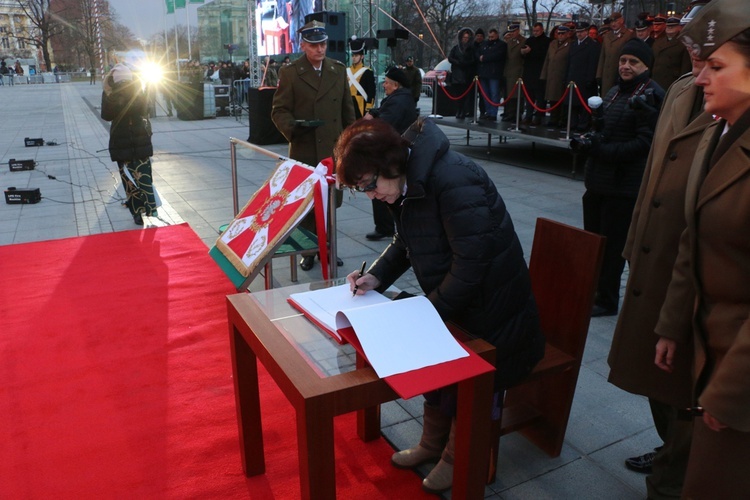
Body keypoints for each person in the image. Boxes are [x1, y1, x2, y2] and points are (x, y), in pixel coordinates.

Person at [335, 117, 544, 495]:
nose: (370, 195)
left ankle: (459, 457)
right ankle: (432, 444)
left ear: (391, 164)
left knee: (473, 377)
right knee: (434, 361)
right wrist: (377, 277)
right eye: (360, 189)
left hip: (494, 308)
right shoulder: (408, 182)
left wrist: (427, 313)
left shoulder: (453, 179)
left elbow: (472, 265)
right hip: (458, 302)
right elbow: (406, 241)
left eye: (369, 185)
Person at [607, 15, 714, 498]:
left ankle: (682, 460)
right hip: (653, 254)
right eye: (693, 45)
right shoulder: (681, 89)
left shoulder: (730, 95)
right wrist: (634, 243)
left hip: (700, 270)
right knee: (652, 368)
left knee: (689, 381)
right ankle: (670, 444)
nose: (696, 56)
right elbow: (654, 173)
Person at [654, 0, 750, 495]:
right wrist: (672, 325)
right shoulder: (723, 132)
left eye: (716, 66)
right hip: (704, 348)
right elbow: (693, 238)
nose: (700, 78)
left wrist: (731, 394)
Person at [575, 39, 664, 317]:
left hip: (624, 186)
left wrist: (603, 150)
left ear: (646, 65)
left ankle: (607, 299)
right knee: (595, 243)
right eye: (623, 60)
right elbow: (604, 129)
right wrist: (588, 140)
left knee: (614, 247)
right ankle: (596, 291)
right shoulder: (614, 91)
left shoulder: (650, 94)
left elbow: (645, 143)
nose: (625, 66)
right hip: (599, 181)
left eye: (633, 62)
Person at [272, 20, 355, 271]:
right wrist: (294, 128)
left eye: (323, 44)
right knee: (307, 203)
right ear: (303, 46)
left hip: (332, 149)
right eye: (314, 45)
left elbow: (346, 110)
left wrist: (350, 142)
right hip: (305, 148)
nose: (320, 49)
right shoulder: (290, 73)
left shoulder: (338, 70)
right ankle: (309, 251)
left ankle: (328, 248)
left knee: (330, 202)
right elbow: (279, 111)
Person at [362, 66, 418, 241]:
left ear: (395, 85)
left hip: (390, 152)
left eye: (386, 83)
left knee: (381, 188)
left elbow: (385, 124)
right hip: (393, 150)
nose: (384, 85)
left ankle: (386, 227)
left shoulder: (398, 101)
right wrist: (373, 112)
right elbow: (385, 112)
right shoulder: (400, 98)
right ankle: (388, 226)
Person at [100, 63, 156, 226]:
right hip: (139, 139)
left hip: (121, 139)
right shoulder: (138, 89)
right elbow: (146, 110)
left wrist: (111, 94)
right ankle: (149, 208)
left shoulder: (111, 92)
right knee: (144, 176)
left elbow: (106, 116)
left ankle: (137, 212)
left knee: (128, 179)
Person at [566, 22, 600, 131]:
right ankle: (573, 123)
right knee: (573, 103)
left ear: (586, 32)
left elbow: (593, 63)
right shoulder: (574, 44)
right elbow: (569, 62)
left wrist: (590, 79)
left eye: (581, 32)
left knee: (584, 104)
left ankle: (583, 125)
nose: (579, 34)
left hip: (584, 78)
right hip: (573, 78)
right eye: (578, 32)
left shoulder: (593, 45)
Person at [540, 25, 571, 128]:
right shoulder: (553, 43)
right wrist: (544, 75)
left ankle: (561, 120)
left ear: (567, 34)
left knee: (561, 99)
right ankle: (553, 119)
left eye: (562, 33)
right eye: (559, 33)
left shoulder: (571, 44)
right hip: (551, 75)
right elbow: (547, 60)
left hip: (562, 75)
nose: (560, 35)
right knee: (552, 99)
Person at [597, 12, 634, 96]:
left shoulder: (628, 35)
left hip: (619, 73)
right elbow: (603, 56)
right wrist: (599, 74)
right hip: (606, 74)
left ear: (621, 20)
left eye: (616, 21)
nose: (613, 24)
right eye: (611, 22)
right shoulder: (607, 36)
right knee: (606, 97)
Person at [520, 22, 550, 125]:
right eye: (534, 31)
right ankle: (528, 116)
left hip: (540, 72)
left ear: (542, 30)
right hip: (529, 72)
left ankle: (538, 117)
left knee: (539, 97)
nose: (535, 33)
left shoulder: (547, 41)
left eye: (537, 31)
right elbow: (523, 53)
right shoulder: (530, 40)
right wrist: (523, 52)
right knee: (529, 97)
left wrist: (531, 51)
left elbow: (544, 55)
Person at [651, 16, 691, 91]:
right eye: (668, 26)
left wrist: (681, 85)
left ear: (680, 27)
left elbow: (685, 68)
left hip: (672, 82)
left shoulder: (684, 43)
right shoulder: (658, 42)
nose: (669, 28)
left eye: (673, 26)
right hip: (656, 81)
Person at [477, 28, 507, 121]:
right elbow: (479, 54)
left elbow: (497, 55)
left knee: (494, 94)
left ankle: (493, 113)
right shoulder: (484, 44)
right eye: (489, 37)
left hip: (494, 73)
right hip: (484, 73)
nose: (490, 38)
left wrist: (485, 57)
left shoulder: (501, 45)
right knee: (485, 94)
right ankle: (488, 112)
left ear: (497, 35)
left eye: (492, 37)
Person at [447, 28, 476, 119]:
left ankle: (463, 110)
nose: (465, 39)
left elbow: (473, 60)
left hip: (466, 75)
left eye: (467, 38)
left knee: (465, 95)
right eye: (464, 37)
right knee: (458, 95)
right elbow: (450, 58)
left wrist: (465, 63)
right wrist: (457, 62)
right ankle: (458, 110)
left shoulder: (471, 48)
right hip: (457, 75)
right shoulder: (456, 48)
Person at [347, 36, 376, 119]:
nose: (354, 57)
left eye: (356, 55)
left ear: (362, 56)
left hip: (361, 105)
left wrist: (368, 107)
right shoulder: (347, 70)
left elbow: (371, 92)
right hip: (348, 103)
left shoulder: (367, 72)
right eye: (353, 55)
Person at [502, 24, 526, 122]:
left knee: (517, 95)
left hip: (517, 71)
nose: (512, 33)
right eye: (511, 32)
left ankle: (517, 114)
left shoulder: (523, 41)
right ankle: (509, 113)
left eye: (514, 31)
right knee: (508, 95)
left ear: (518, 31)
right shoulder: (509, 41)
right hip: (508, 71)